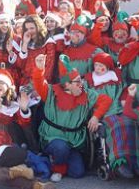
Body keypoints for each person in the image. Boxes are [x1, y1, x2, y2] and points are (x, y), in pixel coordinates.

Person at [31, 54, 112, 182]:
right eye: (78, 81)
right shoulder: (51, 92)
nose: (82, 84)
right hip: (52, 138)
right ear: (67, 84)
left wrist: (96, 117)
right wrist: (39, 69)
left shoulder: (85, 94)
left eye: (81, 80)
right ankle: (58, 167)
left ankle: (51, 159)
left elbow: (105, 100)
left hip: (73, 142)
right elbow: (39, 83)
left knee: (77, 172)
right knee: (61, 148)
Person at [85, 52, 139, 178]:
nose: (98, 69)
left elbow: (123, 92)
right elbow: (89, 101)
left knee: (131, 123)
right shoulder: (90, 81)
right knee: (118, 125)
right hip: (104, 114)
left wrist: (125, 100)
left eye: (102, 66)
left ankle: (135, 163)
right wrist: (94, 116)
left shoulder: (116, 79)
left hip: (120, 110)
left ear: (108, 68)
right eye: (96, 65)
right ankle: (120, 163)